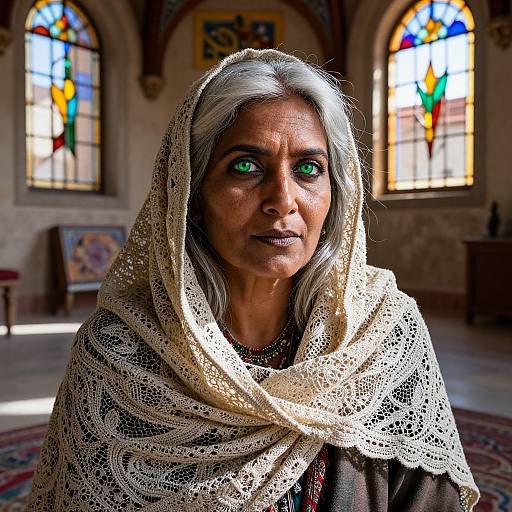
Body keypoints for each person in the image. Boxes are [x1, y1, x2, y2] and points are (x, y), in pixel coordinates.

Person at [26, 48, 479, 511]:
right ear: (191, 194)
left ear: (336, 194)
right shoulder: (117, 352)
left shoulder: (384, 334)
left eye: (308, 168)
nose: (282, 200)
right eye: (246, 166)